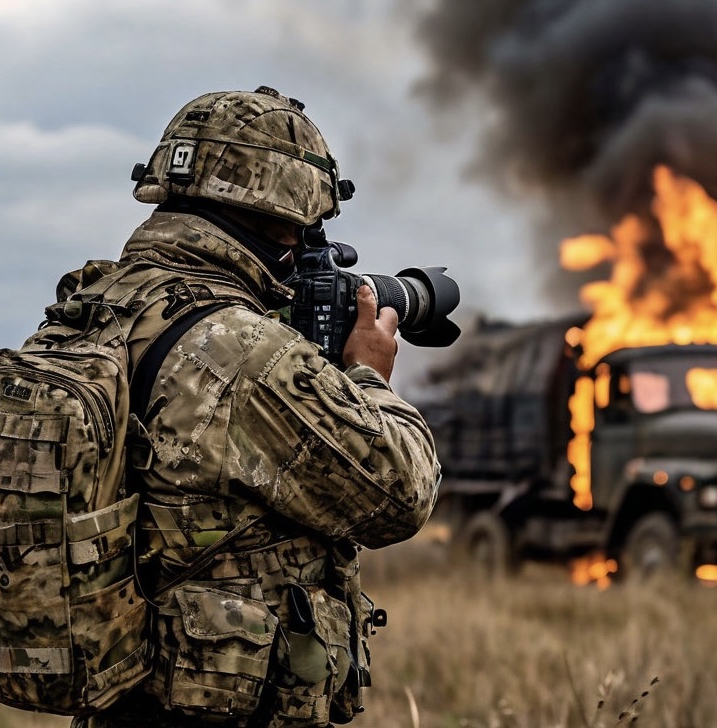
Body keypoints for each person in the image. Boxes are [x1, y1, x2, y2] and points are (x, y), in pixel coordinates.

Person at [71, 86, 442, 727]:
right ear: (279, 214)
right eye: (307, 225)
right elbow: (400, 495)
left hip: (116, 701)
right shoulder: (242, 351)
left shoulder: (93, 307)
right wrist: (367, 376)